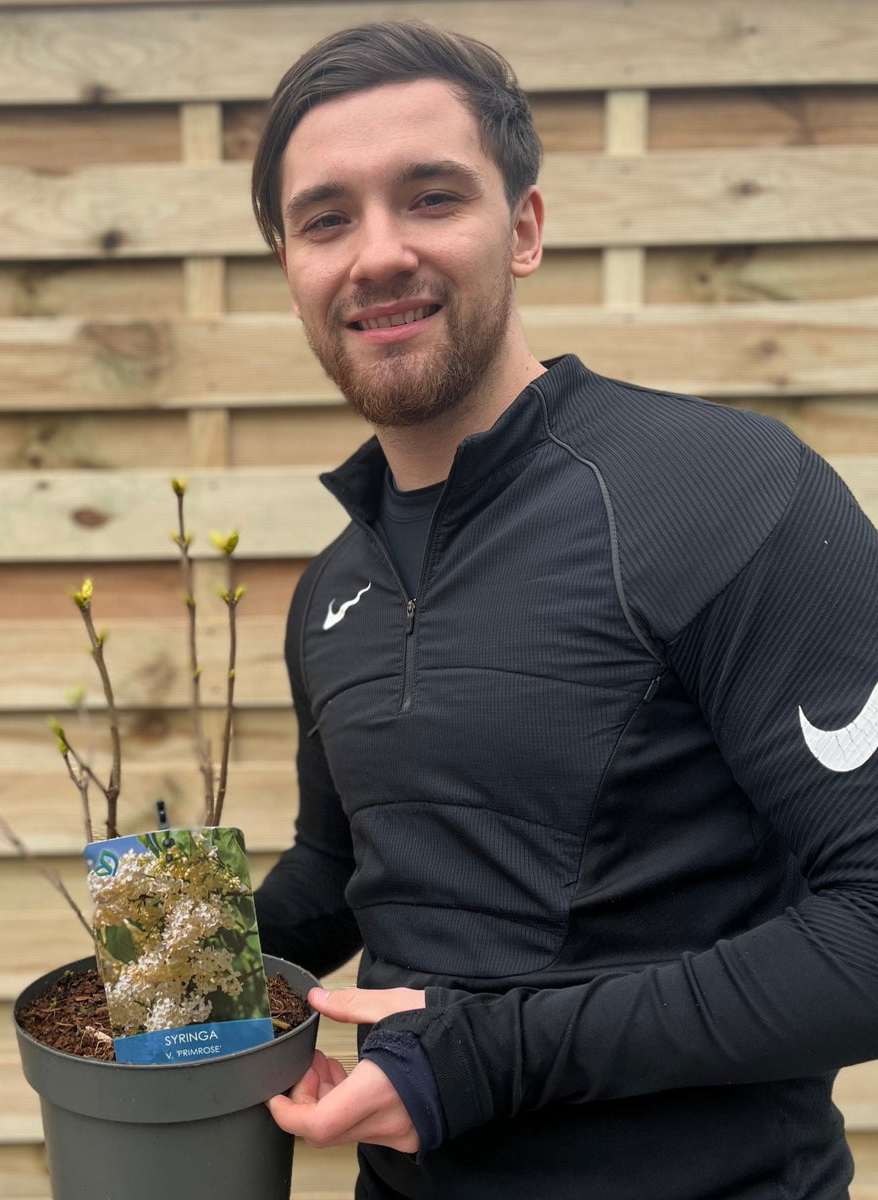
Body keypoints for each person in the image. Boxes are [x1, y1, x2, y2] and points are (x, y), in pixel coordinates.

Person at [249, 20, 878, 1200]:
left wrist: (487, 1059)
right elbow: (345, 871)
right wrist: (171, 961)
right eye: (327, 219)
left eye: (432, 198)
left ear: (525, 228)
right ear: (292, 267)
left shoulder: (726, 495)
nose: (378, 253)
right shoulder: (333, 587)